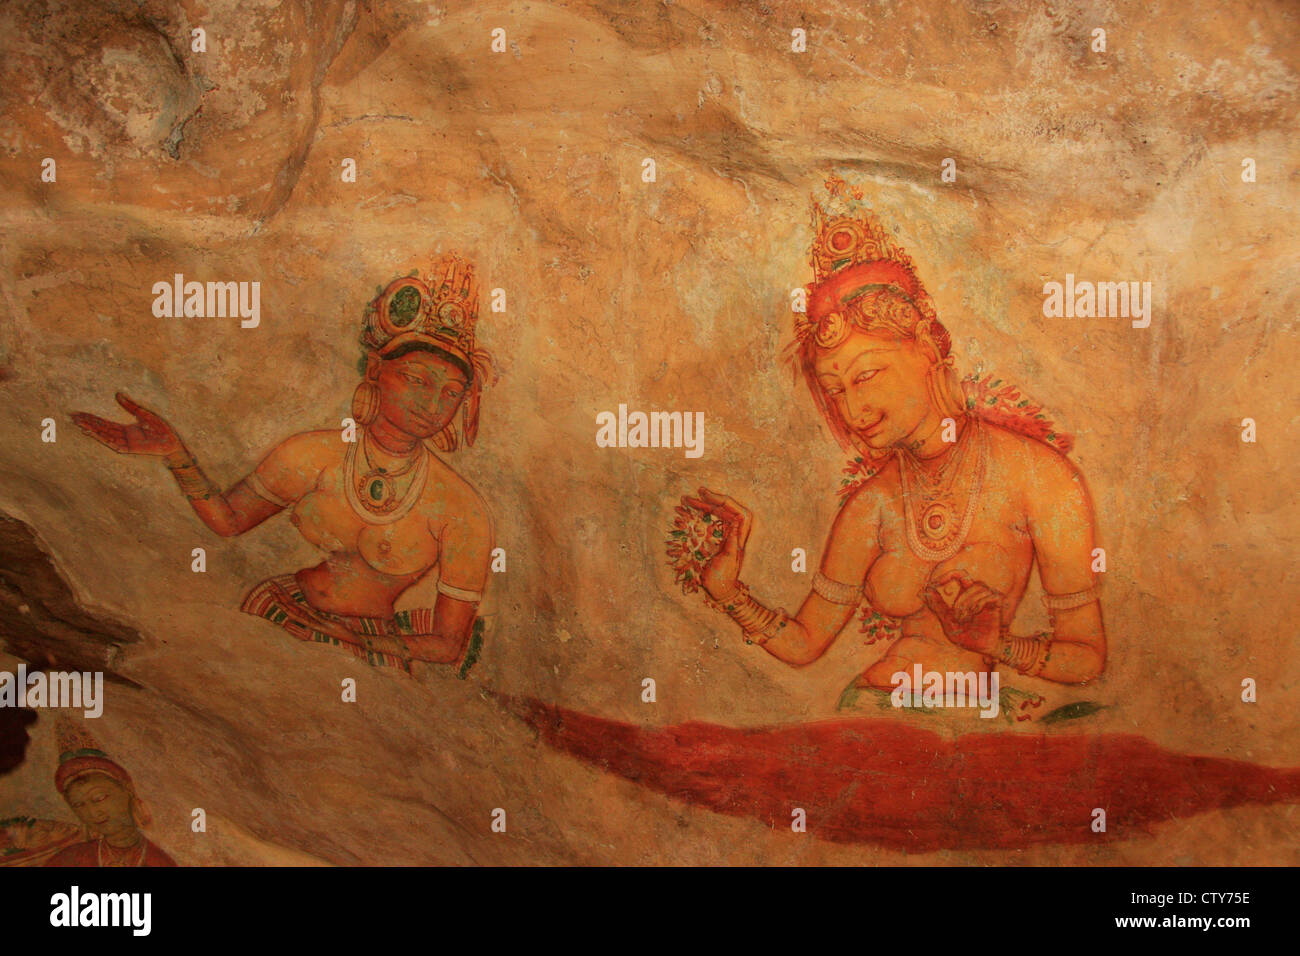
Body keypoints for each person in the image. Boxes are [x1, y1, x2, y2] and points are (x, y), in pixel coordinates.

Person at [683, 181, 1106, 698]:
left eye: (866, 376)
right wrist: (728, 594)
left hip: (977, 732)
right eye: (835, 391)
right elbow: (805, 643)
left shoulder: (1038, 476)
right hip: (866, 712)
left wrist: (998, 646)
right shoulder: (872, 504)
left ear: (926, 350)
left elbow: (1086, 658)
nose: (852, 411)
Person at [73, 253, 496, 675]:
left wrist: (353, 641)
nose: (432, 403)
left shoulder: (462, 509)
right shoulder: (313, 453)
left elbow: (445, 644)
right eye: (417, 380)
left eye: (451, 392)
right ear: (376, 370)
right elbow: (229, 520)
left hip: (371, 646)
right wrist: (174, 454)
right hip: (281, 611)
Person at [44, 719, 175, 867]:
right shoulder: (66, 861)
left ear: (126, 790)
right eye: (79, 805)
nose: (93, 813)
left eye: (99, 798)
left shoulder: (159, 862)